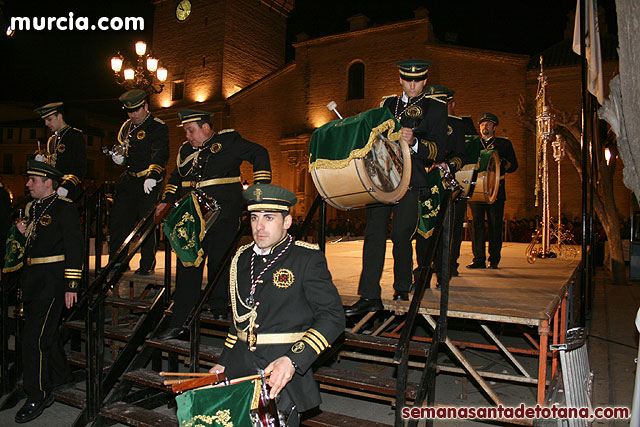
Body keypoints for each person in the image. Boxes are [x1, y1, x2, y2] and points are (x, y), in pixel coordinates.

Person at [209, 183, 345, 426]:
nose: (259, 226)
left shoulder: (306, 259)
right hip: (240, 368)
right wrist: (223, 362)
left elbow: (333, 317)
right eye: (254, 218)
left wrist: (293, 360)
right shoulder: (241, 258)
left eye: (269, 218)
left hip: (281, 372)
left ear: (287, 222)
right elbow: (239, 321)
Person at [157, 109, 271, 339]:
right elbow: (175, 177)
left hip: (224, 214)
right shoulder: (186, 151)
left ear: (206, 128)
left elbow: (260, 153)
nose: (188, 136)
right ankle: (181, 320)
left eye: (191, 130)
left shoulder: (228, 141)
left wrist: (260, 190)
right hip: (192, 216)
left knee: (220, 262)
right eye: (187, 131)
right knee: (188, 264)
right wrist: (166, 201)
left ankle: (220, 308)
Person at [345, 59, 447, 316]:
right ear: (400, 80)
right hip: (380, 177)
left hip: (411, 178)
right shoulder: (387, 104)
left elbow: (438, 149)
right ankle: (368, 294)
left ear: (425, 81)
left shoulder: (435, 108)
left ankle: (402, 284)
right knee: (374, 234)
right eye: (408, 80)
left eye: (418, 81)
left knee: (402, 235)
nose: (412, 85)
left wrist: (414, 143)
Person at [14, 160, 83, 423]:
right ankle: (61, 376)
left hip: (53, 282)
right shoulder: (32, 208)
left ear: (48, 183)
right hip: (33, 280)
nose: (28, 184)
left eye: (33, 180)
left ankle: (38, 393)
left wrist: (72, 285)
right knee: (46, 333)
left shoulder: (64, 208)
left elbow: (74, 247)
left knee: (34, 339)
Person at [109, 89, 170, 276]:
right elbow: (124, 149)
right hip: (129, 179)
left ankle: (147, 263)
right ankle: (117, 262)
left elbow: (160, 152)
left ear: (145, 106)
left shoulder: (157, 126)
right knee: (120, 221)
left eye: (136, 110)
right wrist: (119, 158)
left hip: (148, 180)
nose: (133, 114)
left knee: (146, 223)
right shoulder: (126, 127)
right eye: (129, 111)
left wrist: (152, 174)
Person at [414, 85, 465, 287]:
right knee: (423, 231)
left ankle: (443, 275)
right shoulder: (419, 122)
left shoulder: (456, 125)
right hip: (423, 182)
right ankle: (422, 276)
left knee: (445, 232)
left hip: (444, 184)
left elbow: (462, 155)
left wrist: (448, 165)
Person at [467, 113, 518, 269]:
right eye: (482, 124)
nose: (484, 127)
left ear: (494, 127)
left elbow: (514, 166)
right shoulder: (474, 143)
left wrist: (502, 162)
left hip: (496, 189)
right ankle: (478, 259)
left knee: (495, 224)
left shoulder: (503, 144)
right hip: (477, 189)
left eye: (488, 124)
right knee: (477, 224)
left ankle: (494, 259)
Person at [33, 102, 86, 200]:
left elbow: (80, 168)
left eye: (49, 119)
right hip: (52, 190)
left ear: (59, 116)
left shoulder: (74, 136)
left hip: (68, 191)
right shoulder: (52, 140)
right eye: (45, 120)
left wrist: (67, 186)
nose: (46, 123)